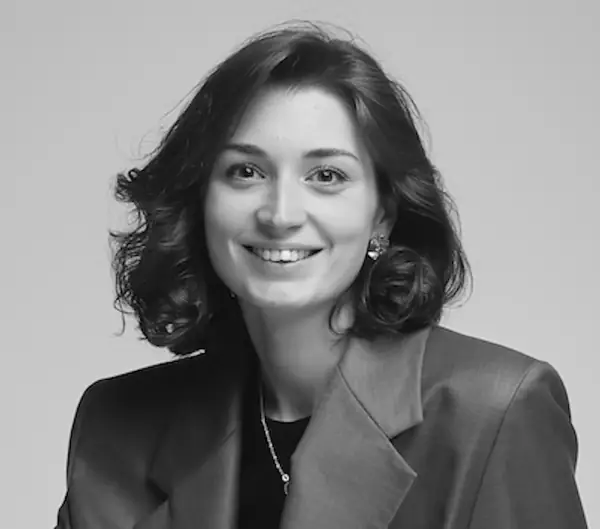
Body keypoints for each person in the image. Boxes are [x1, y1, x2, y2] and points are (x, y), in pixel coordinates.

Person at [54, 21, 588, 529]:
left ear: (382, 216)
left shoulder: (496, 413)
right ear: (200, 202)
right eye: (246, 171)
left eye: (326, 176)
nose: (280, 214)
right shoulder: (116, 428)